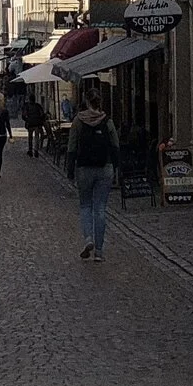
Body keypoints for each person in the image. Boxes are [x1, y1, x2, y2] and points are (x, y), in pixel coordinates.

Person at [69, 90, 118, 261]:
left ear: (86, 101)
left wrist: (70, 170)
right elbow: (115, 145)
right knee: (100, 208)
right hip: (105, 167)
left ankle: (88, 238)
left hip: (84, 168)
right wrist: (116, 167)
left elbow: (72, 146)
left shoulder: (78, 121)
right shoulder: (107, 120)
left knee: (85, 205)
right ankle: (99, 251)